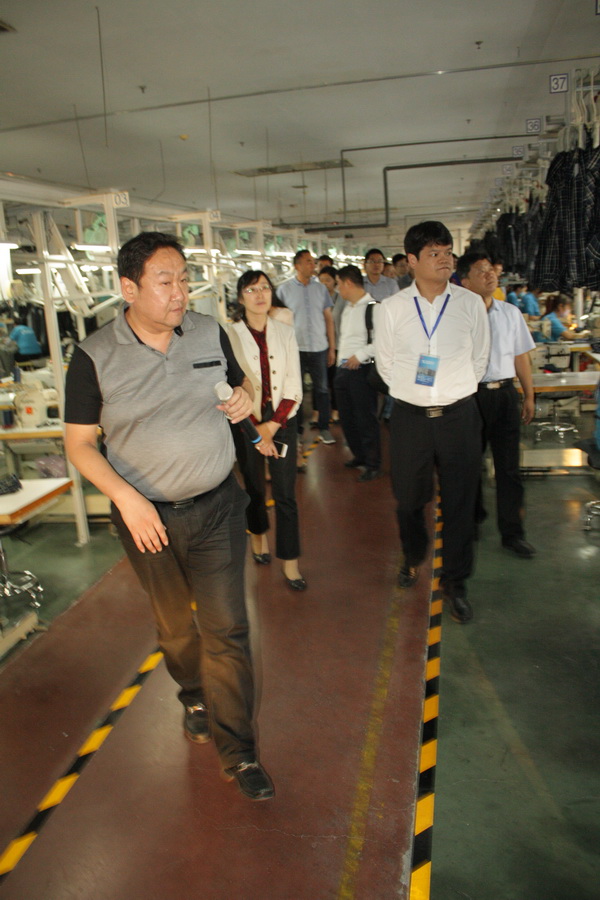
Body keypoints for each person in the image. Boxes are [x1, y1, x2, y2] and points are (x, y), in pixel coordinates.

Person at [64, 232, 274, 801]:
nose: (180, 292)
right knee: (177, 627)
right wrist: (127, 499)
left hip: (217, 507)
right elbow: (79, 444)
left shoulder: (208, 331)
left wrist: (245, 397)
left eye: (184, 279)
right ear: (129, 288)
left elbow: (242, 384)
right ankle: (193, 694)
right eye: (166, 282)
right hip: (147, 521)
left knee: (227, 628)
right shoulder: (93, 357)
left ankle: (240, 752)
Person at [374, 221, 490, 624]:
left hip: (459, 416)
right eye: (434, 253)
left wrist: (452, 389)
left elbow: (480, 358)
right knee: (408, 498)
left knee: (460, 502)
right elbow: (386, 365)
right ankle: (413, 554)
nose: (445, 260)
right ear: (412, 261)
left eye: (448, 252)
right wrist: (418, 392)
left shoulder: (470, 304)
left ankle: (456, 581)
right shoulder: (391, 309)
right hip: (411, 419)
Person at [226, 270, 306, 590]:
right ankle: (258, 538)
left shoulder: (285, 333)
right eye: (251, 289)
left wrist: (271, 427)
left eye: (264, 288)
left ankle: (291, 562)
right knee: (254, 488)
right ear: (240, 297)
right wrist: (255, 430)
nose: (259, 295)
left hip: (282, 420)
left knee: (286, 494)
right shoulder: (229, 334)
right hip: (245, 422)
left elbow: (294, 386)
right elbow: (229, 385)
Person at [457, 250, 536, 559]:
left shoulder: (510, 313)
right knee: (469, 465)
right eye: (481, 270)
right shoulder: (457, 316)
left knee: (509, 468)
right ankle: (473, 519)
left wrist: (528, 394)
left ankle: (512, 533)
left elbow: (521, 355)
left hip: (504, 395)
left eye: (491, 269)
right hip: (470, 397)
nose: (490, 274)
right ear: (465, 282)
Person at [276, 249, 336, 445]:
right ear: (297, 266)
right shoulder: (284, 290)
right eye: (308, 262)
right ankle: (297, 431)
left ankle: (324, 428)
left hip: (319, 347)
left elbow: (328, 319)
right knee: (296, 391)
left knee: (322, 390)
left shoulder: (320, 290)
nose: (313, 265)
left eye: (313, 262)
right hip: (295, 349)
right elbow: (277, 322)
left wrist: (332, 347)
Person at [335, 265, 382, 482]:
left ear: (348, 283)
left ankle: (373, 463)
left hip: (361, 371)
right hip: (343, 370)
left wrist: (360, 355)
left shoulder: (374, 308)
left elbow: (382, 342)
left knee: (365, 418)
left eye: (339, 284)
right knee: (347, 418)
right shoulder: (347, 308)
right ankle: (359, 455)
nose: (338, 289)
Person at [318, 264, 343, 424]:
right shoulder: (317, 298)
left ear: (335, 281)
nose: (324, 284)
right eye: (321, 280)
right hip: (321, 345)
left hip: (338, 344)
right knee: (322, 382)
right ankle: (322, 413)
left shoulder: (341, 298)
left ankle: (336, 410)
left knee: (335, 380)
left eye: (327, 280)